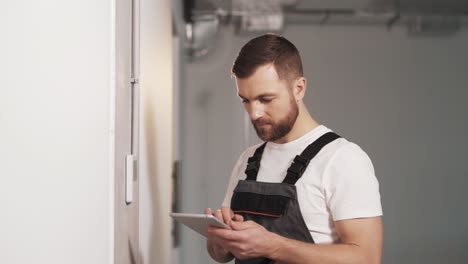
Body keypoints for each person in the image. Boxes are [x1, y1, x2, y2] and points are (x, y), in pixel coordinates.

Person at [205, 34, 383, 264]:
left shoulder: (343, 159)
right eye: (246, 100)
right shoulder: (248, 159)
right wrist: (220, 244)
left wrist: (274, 246)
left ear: (298, 88)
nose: (254, 113)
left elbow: (367, 258)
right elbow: (220, 255)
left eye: (265, 99)